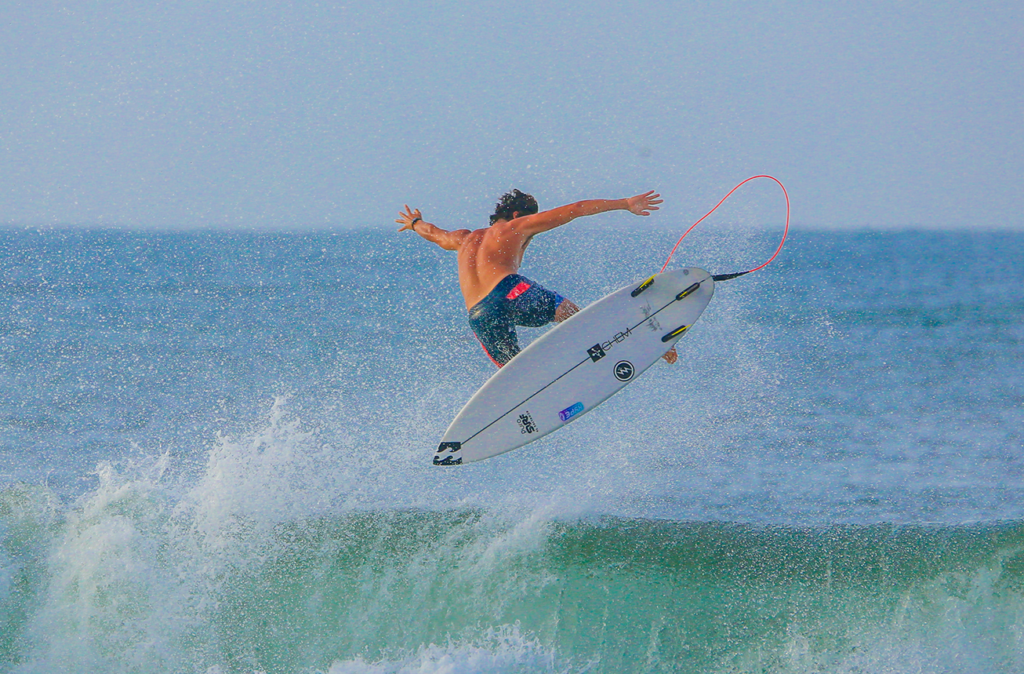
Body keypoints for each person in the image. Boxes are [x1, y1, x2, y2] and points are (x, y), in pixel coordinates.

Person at [396, 189, 677, 367]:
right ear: (518, 214)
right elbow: (576, 208)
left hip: (479, 314)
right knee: (571, 315)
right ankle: (642, 344)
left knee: (513, 374)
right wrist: (625, 203)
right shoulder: (516, 226)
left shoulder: (463, 239)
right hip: (509, 290)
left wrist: (414, 223)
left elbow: (433, 233)